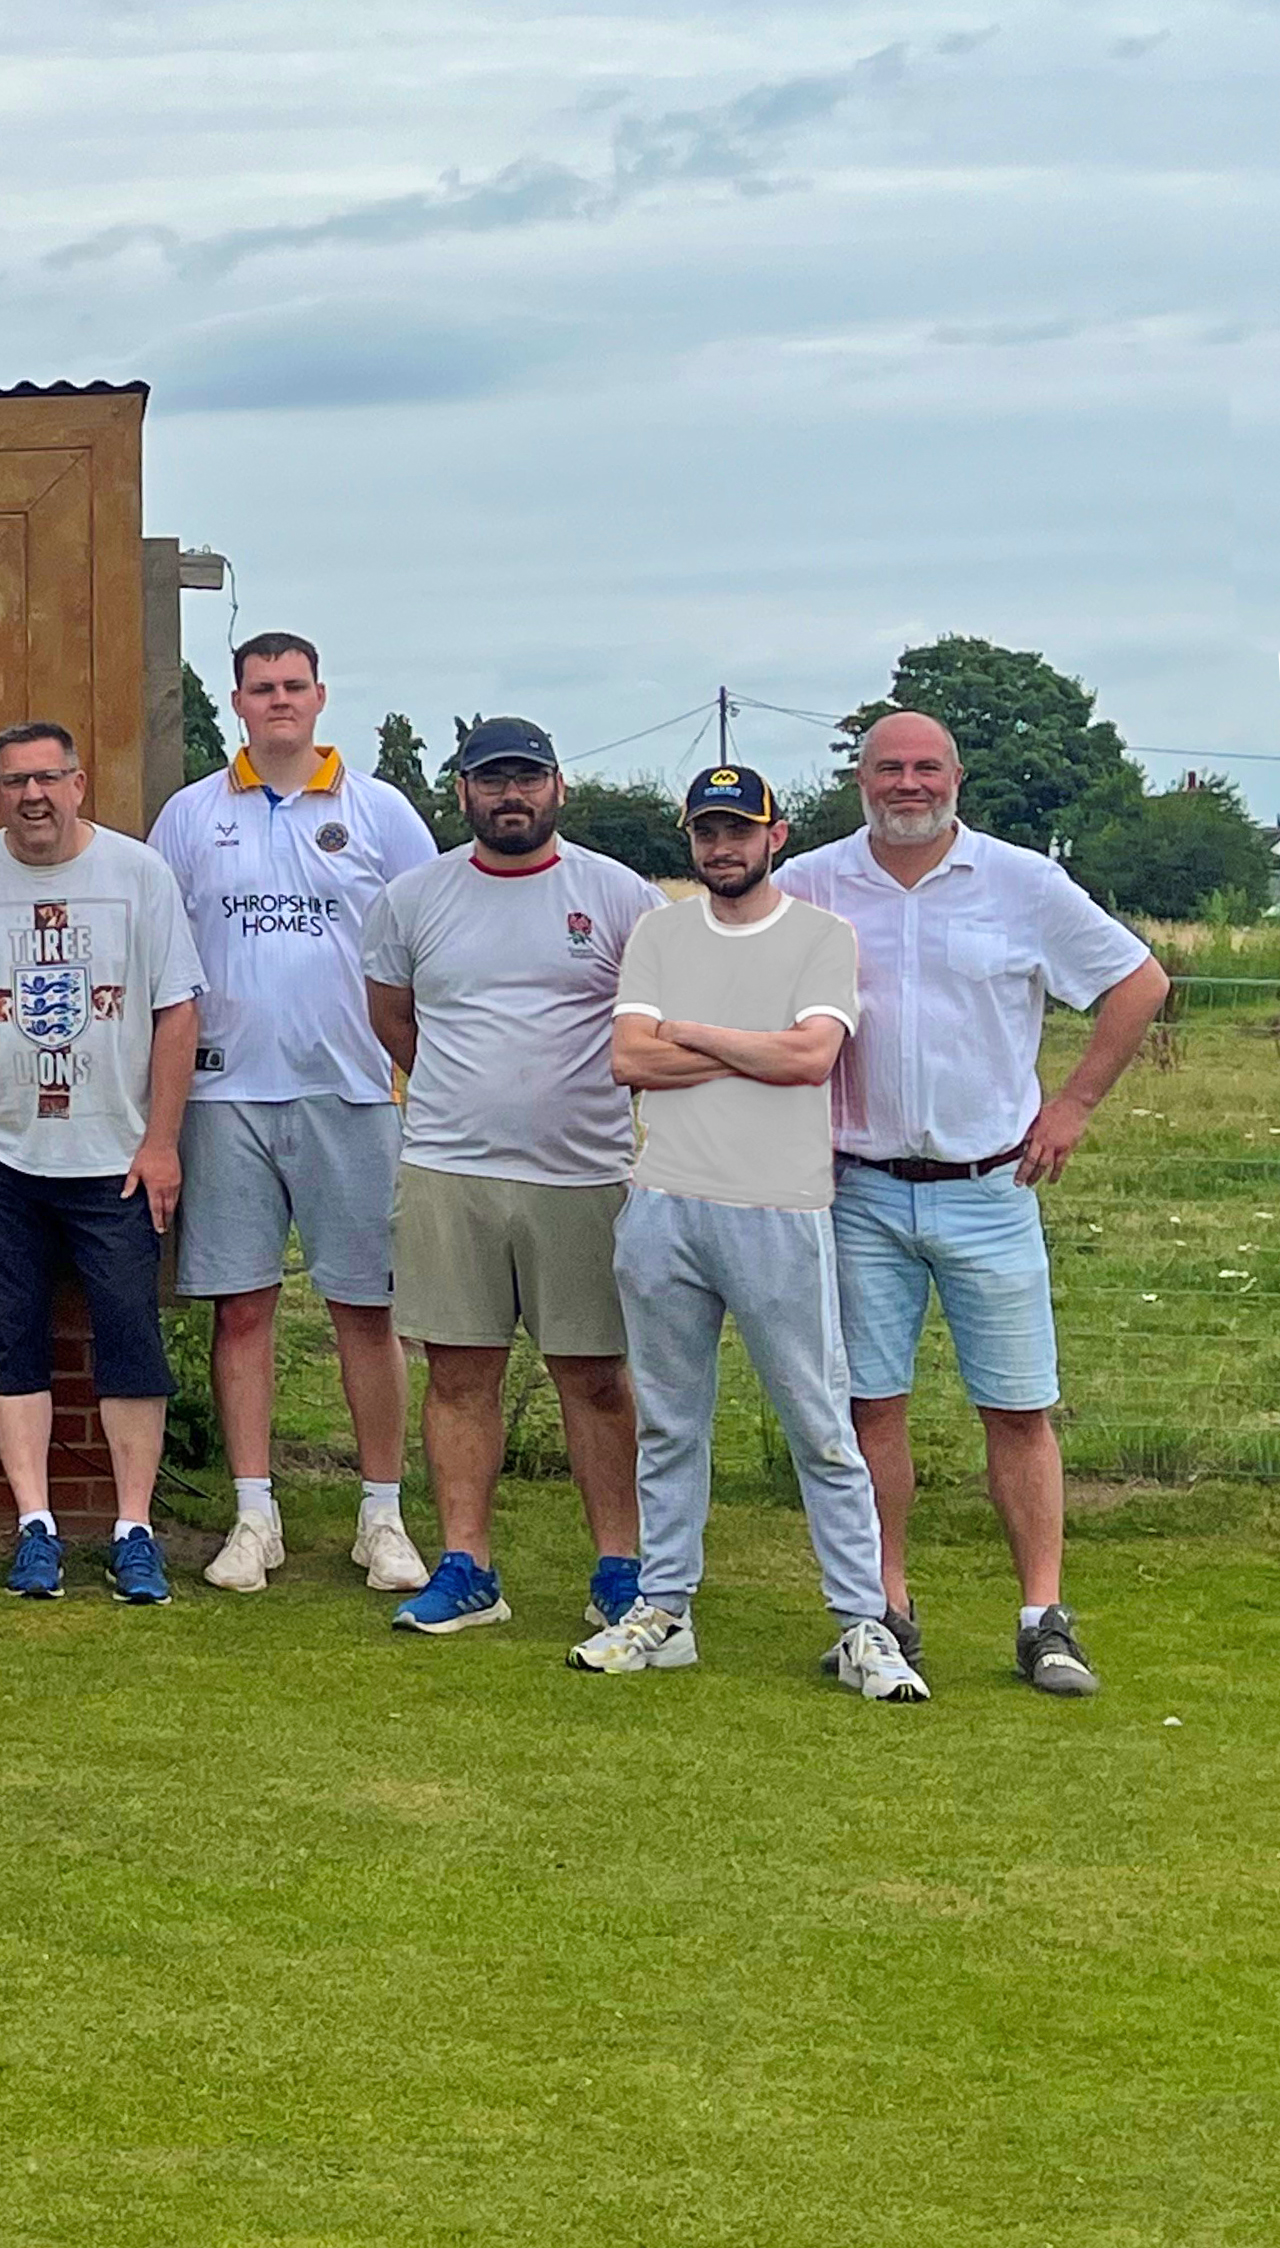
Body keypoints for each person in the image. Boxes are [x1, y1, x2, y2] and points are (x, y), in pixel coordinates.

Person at [777, 710, 1171, 1698]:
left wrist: (1074, 1105)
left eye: (927, 768)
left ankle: (1043, 1619)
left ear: (957, 778)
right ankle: (884, 1612)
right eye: (888, 768)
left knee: (1018, 1407)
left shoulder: (1021, 881)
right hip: (859, 1188)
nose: (908, 785)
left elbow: (1138, 982)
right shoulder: (812, 883)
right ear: (860, 780)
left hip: (992, 1187)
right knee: (872, 1408)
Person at [574, 766, 923, 1699]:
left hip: (778, 1208)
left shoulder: (820, 936)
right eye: (706, 832)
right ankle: (664, 1611)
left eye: (739, 830)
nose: (722, 848)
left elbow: (810, 1058)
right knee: (670, 1423)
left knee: (819, 1423)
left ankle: (863, 1624)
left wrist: (692, 1034)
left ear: (776, 836)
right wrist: (748, 1048)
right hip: (664, 1207)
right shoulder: (660, 932)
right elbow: (628, 1058)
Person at [147, 632, 438, 1596]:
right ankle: (252, 1515)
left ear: (320, 697)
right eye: (261, 687)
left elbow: (429, 939)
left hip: (351, 1089)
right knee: (242, 1308)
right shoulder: (191, 814)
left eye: (294, 686)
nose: (279, 700)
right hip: (224, 1092)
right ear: (236, 701)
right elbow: (160, 953)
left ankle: (383, 1516)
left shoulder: (380, 811)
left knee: (366, 1308)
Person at [358, 717, 661, 1638]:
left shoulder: (619, 895)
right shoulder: (414, 898)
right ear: (463, 793)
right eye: (492, 780)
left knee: (596, 1377)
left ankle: (621, 1569)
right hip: (450, 1169)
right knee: (458, 1375)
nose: (511, 796)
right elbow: (393, 1017)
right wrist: (466, 1097)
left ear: (558, 787)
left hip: (584, 1174)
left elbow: (653, 1024)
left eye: (527, 778)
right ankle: (468, 1570)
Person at [0, 719, 206, 1606]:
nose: (32, 796)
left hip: (115, 1155)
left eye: (47, 778)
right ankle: (35, 1525)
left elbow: (177, 1014)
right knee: (7, 1336)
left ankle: (134, 1530)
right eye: (14, 782)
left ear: (77, 784)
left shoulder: (139, 875)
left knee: (131, 1339)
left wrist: (162, 1143)